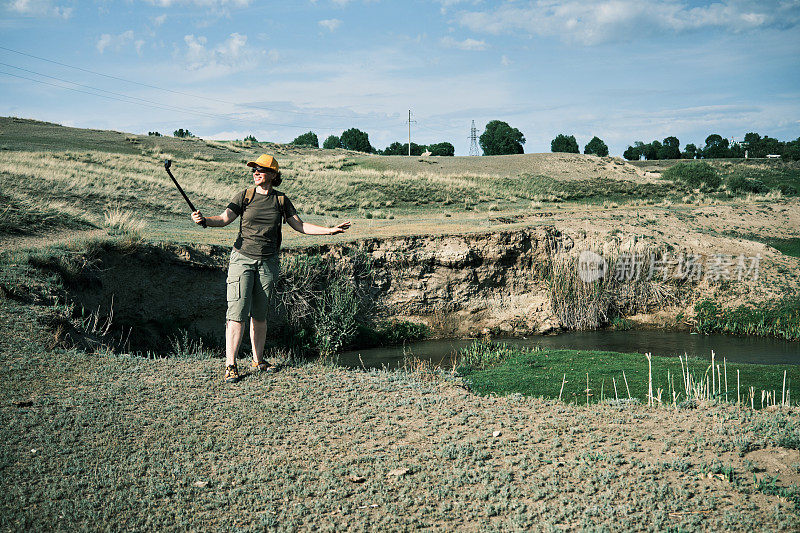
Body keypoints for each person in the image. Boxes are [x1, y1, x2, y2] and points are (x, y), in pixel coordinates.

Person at [191, 154, 350, 383]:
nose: (256, 172)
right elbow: (225, 218)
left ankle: (258, 360)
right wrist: (204, 220)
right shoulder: (244, 196)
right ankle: (231, 365)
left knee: (260, 315)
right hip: (242, 259)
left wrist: (329, 230)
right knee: (237, 313)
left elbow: (300, 225)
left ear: (273, 174)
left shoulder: (281, 200)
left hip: (268, 263)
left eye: (261, 169)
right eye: (254, 169)